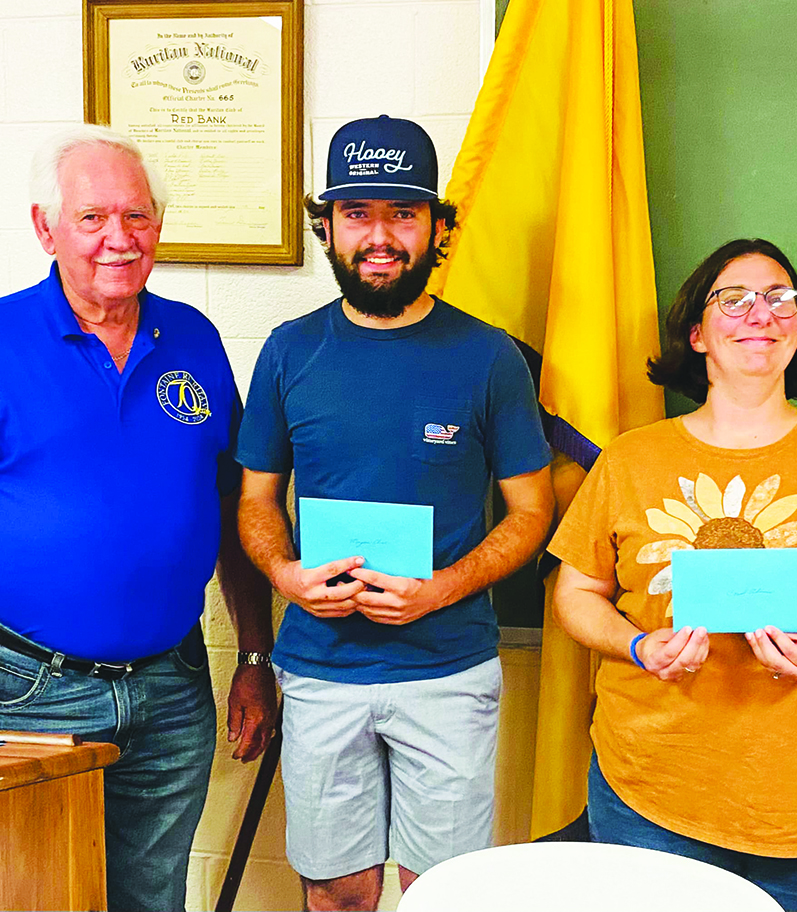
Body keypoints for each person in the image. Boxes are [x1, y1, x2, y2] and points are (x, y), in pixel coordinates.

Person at [548, 237, 797, 912]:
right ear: (696, 333)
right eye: (734, 299)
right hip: (652, 799)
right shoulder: (631, 461)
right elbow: (577, 593)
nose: (762, 312)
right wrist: (638, 644)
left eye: (781, 298)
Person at [237, 114, 554, 912]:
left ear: (439, 228)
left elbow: (531, 509)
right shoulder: (287, 350)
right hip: (318, 670)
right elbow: (255, 499)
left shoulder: (490, 357)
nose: (380, 237)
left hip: (448, 671)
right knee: (337, 892)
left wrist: (443, 587)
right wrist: (285, 574)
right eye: (357, 214)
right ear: (328, 228)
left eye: (403, 214)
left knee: (439, 895)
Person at [0, 124, 277, 912]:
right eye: (92, 218)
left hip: (173, 686)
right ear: (44, 228)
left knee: (152, 898)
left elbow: (230, 511)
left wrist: (253, 658)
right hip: (28, 690)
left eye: (139, 216)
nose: (119, 239)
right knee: (35, 894)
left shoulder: (194, 337)